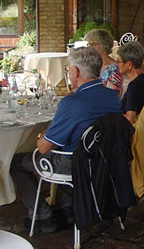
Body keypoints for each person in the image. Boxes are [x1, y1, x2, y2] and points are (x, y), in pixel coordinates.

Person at [10, 47, 121, 233]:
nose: (68, 72)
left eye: (68, 68)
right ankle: (67, 208)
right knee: (69, 146)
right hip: (105, 160)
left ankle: (42, 216)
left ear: (76, 72)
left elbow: (44, 147)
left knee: (17, 162)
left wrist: (42, 133)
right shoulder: (112, 96)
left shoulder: (72, 103)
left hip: (76, 165)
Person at [117, 41, 144, 124]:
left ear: (129, 65)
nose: (116, 64)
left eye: (119, 62)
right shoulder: (141, 79)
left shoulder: (134, 86)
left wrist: (111, 115)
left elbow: (130, 119)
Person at [84, 29, 123, 94]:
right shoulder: (94, 65)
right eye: (88, 44)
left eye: (92, 44)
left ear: (103, 45)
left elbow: (112, 96)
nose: (89, 47)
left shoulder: (114, 70)